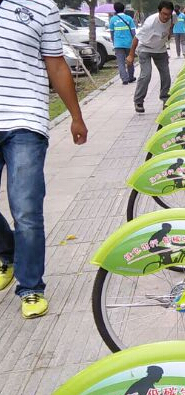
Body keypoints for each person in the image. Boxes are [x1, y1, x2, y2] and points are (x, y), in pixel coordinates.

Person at [0, 0, 88, 319]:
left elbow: (57, 65)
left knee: (25, 208)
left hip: (25, 118)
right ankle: (9, 252)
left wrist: (76, 116)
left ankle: (30, 287)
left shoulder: (41, 6)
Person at [127, 1, 174, 113]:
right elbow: (136, 39)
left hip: (160, 50)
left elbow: (172, 25)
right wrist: (131, 55)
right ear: (159, 12)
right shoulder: (150, 24)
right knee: (146, 75)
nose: (166, 17)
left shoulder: (173, 17)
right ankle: (138, 101)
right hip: (145, 49)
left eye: (168, 14)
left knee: (166, 75)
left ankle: (165, 99)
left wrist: (169, 34)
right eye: (164, 14)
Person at [108, 2, 137, 85]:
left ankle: (124, 79)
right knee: (130, 60)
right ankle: (131, 77)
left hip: (118, 44)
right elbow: (133, 32)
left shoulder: (112, 19)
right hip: (129, 43)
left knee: (120, 62)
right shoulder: (129, 18)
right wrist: (135, 43)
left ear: (115, 9)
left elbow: (112, 33)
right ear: (124, 9)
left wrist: (114, 42)